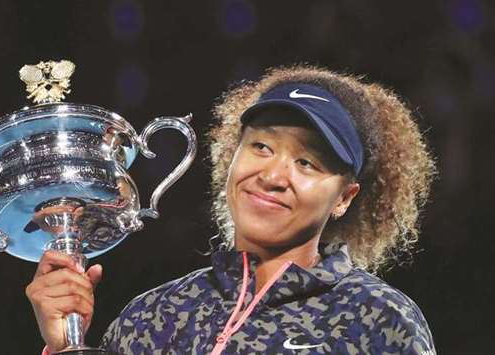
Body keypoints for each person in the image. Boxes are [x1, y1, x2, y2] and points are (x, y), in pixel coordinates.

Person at [26, 65, 438, 354]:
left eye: (306, 163)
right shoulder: (152, 317)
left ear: (344, 198)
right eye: (261, 146)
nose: (274, 175)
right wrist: (66, 346)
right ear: (231, 157)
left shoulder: (379, 320)